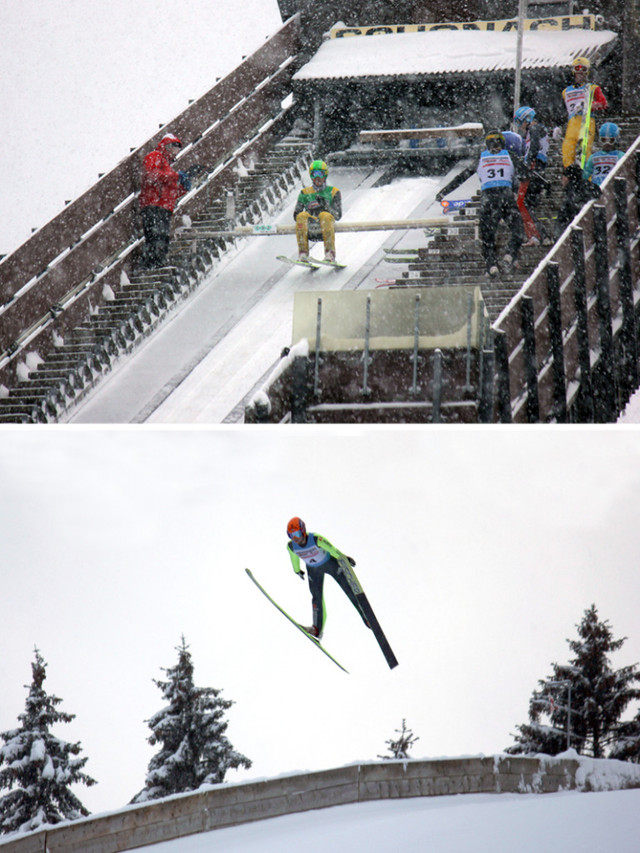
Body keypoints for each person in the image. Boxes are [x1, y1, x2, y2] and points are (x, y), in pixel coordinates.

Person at [286, 516, 368, 639]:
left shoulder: (316, 539)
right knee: (316, 597)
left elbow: (332, 549)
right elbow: (294, 558)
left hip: (330, 564)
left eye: (297, 534)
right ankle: (316, 629)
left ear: (303, 530)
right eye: (291, 535)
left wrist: (344, 558)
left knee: (349, 589)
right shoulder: (291, 546)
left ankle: (367, 617)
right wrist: (297, 571)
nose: (296, 538)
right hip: (313, 570)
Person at [138, 133, 191, 270]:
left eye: (177, 150)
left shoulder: (167, 166)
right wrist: (175, 176)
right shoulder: (155, 156)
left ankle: (158, 263)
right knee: (155, 236)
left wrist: (183, 187)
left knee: (162, 237)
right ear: (166, 146)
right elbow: (151, 175)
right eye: (173, 149)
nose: (175, 153)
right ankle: (151, 264)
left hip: (164, 207)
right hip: (153, 204)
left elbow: (170, 191)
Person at [476, 130, 524, 277]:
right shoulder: (510, 155)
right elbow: (526, 173)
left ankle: (491, 265)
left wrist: (444, 192)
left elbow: (462, 176)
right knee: (518, 230)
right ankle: (509, 255)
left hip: (488, 199)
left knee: (487, 236)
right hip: (506, 196)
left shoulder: (481, 157)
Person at [561, 57, 607, 182]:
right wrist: (558, 128)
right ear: (573, 71)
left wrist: (588, 106)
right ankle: (570, 177)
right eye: (577, 68)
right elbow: (562, 111)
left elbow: (603, 103)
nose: (580, 71)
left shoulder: (592, 88)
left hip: (586, 121)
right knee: (567, 149)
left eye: (583, 69)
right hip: (572, 123)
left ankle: (588, 179)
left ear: (587, 71)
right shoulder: (566, 91)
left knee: (584, 151)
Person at [513, 106, 550, 246]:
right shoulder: (538, 129)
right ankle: (541, 235)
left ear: (528, 119)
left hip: (534, 167)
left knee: (521, 202)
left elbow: (534, 147)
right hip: (537, 167)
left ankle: (536, 235)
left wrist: (527, 164)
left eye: (520, 122)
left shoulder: (534, 129)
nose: (520, 126)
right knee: (527, 203)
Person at [294, 160, 342, 263]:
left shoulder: (334, 192)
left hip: (326, 227)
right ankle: (303, 254)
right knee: (302, 216)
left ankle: (330, 254)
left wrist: (325, 206)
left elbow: (338, 215)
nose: (317, 178)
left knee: (325, 215)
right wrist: (310, 208)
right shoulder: (305, 193)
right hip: (309, 229)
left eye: (320, 174)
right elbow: (296, 215)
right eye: (314, 174)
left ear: (325, 175)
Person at [583, 122, 625, 188]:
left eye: (611, 140)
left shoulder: (620, 156)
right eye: (603, 140)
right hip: (596, 189)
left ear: (616, 140)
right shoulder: (593, 157)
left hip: (612, 189)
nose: (607, 143)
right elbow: (586, 174)